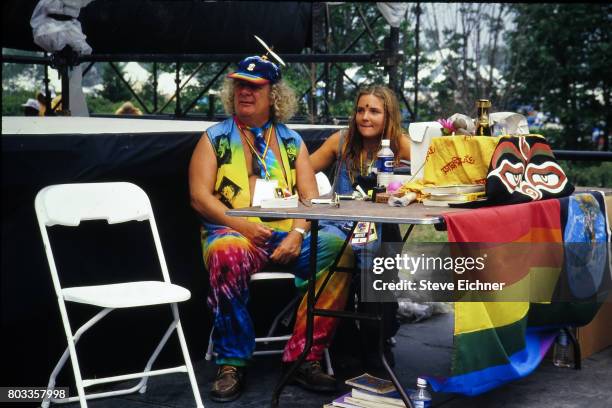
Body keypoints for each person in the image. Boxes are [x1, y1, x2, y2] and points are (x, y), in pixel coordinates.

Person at [189, 52, 351, 402]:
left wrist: (297, 234)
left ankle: (303, 357)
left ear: (273, 95)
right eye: (240, 86)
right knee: (226, 251)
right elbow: (200, 199)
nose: (244, 93)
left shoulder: (292, 142)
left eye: (254, 87)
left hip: (285, 236)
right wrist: (243, 227)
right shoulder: (214, 137)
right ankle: (231, 363)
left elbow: (311, 201)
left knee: (341, 249)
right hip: (234, 235)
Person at [309, 85, 410, 368]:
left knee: (377, 253)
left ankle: (375, 342)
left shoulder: (399, 144)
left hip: (379, 225)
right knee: (326, 246)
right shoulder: (340, 141)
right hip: (339, 224)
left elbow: (434, 166)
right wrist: (309, 198)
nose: (365, 117)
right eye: (360, 110)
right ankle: (340, 339)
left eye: (374, 111)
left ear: (388, 116)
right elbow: (302, 167)